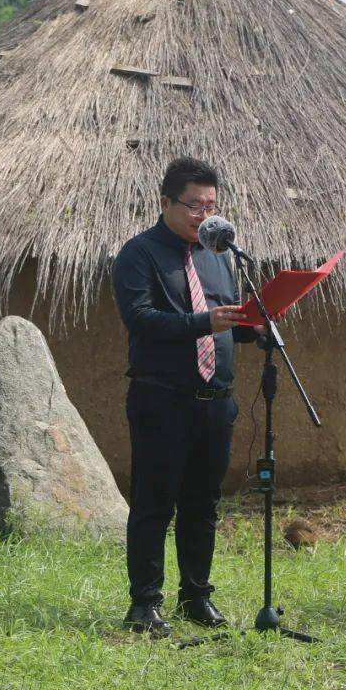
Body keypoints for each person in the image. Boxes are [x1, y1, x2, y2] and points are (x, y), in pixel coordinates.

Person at [112, 157, 259, 636]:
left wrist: (255, 323)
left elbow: (225, 322)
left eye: (211, 205)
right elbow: (142, 319)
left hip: (216, 401)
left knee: (203, 502)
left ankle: (195, 596)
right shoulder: (139, 254)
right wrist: (206, 322)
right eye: (194, 205)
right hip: (162, 399)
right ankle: (144, 605)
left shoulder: (219, 256)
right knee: (155, 502)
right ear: (166, 202)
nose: (204, 214)